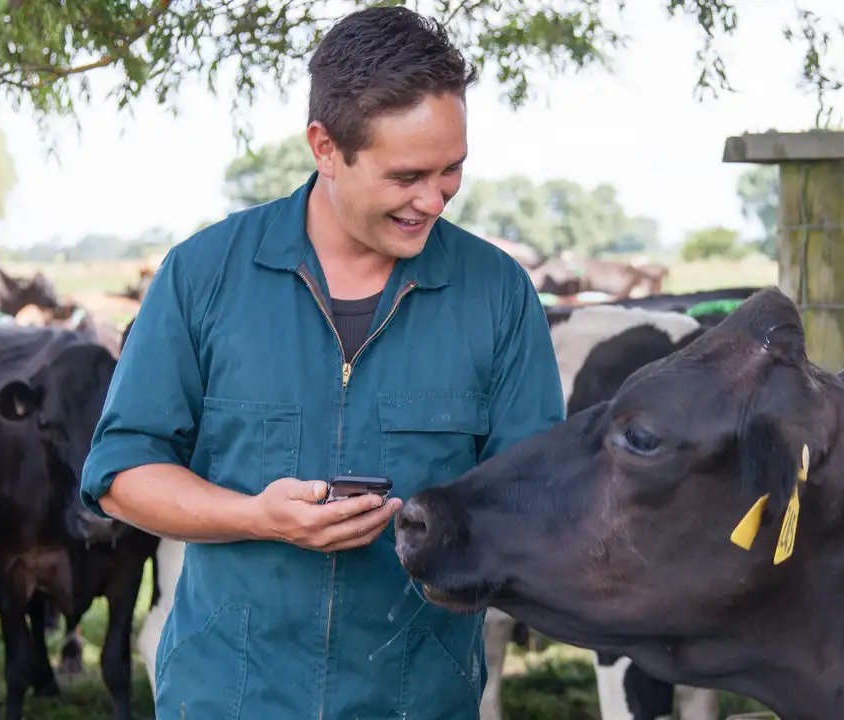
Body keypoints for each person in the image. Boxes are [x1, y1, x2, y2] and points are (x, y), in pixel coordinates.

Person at [80, 6, 565, 718]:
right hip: (227, 699)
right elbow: (120, 476)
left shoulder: (498, 294)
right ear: (326, 147)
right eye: (407, 176)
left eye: (452, 170)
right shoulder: (202, 275)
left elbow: (537, 498)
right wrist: (257, 516)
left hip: (417, 703)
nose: (433, 199)